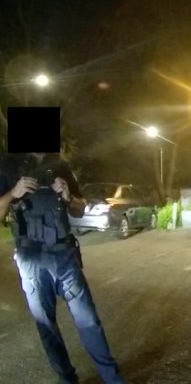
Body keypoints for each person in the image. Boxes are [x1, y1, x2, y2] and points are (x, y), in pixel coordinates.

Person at [0, 152, 124, 384]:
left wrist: (68, 196)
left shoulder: (59, 165)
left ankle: (113, 379)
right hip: (31, 259)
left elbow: (79, 208)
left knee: (88, 321)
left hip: (64, 255)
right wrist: (12, 194)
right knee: (46, 326)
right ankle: (67, 379)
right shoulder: (7, 166)